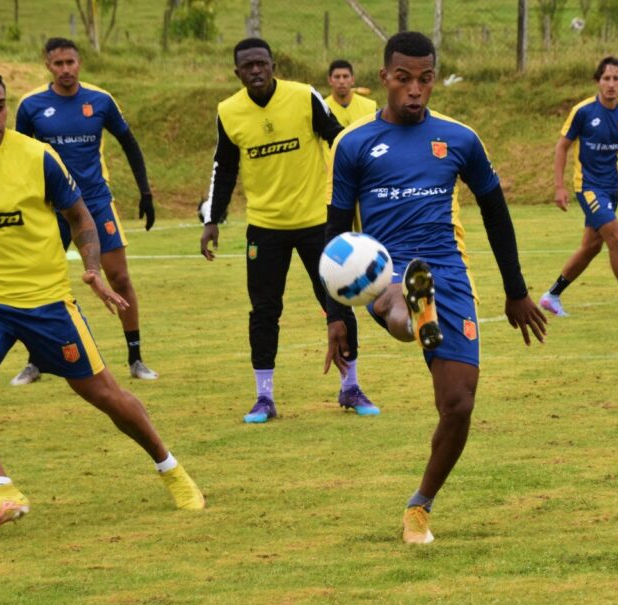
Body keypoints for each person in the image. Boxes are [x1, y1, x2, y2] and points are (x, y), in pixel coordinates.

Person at [0, 67, 205, 535]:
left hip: (47, 304)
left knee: (107, 396)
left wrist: (94, 270)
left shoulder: (38, 157)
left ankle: (170, 468)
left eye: (1, 105)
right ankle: (0, 491)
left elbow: (81, 218)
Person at [325, 32, 548, 544]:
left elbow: (496, 212)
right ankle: (408, 317)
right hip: (379, 268)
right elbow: (334, 237)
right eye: (403, 79)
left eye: (425, 79)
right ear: (384, 78)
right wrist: (336, 316)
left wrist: (515, 291)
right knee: (397, 300)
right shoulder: (354, 143)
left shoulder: (460, 140)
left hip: (447, 270)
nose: (415, 90)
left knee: (459, 404)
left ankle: (418, 508)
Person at [200, 38, 378, 423]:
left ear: (273, 64)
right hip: (265, 228)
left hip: (319, 223)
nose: (256, 71)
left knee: (339, 299)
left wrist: (358, 187)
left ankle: (351, 387)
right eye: (247, 66)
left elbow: (336, 138)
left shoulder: (303, 97)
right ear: (238, 73)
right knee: (264, 311)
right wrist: (212, 219)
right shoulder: (228, 111)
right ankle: (264, 398)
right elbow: (225, 167)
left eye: (261, 63)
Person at [10, 37, 159, 385]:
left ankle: (136, 358)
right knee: (40, 282)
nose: (66, 70)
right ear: (48, 65)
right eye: (58, 63)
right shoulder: (31, 105)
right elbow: (17, 157)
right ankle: (35, 361)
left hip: (95, 203)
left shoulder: (100, 100)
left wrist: (146, 192)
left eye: (71, 63)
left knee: (119, 278)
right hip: (50, 208)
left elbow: (130, 143)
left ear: (79, 63)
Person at [539, 56, 618, 318]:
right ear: (597, 81)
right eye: (606, 78)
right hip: (588, 187)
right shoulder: (583, 111)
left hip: (611, 187)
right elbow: (562, 147)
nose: (611, 84)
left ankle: (552, 295)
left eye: (616, 79)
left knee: (591, 247)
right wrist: (559, 187)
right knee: (616, 237)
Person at [325, 59, 378, 128]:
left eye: (345, 76)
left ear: (353, 80)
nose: (341, 81)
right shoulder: (322, 108)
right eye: (337, 77)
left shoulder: (371, 107)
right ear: (330, 80)